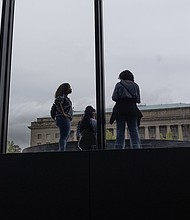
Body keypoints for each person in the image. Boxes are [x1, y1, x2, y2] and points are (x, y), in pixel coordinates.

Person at [110, 70, 143, 149]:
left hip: (120, 109)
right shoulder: (135, 86)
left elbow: (114, 97)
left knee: (120, 131)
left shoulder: (119, 85)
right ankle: (136, 149)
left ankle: (119, 150)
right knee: (134, 131)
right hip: (132, 109)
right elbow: (138, 100)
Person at [54, 83, 73, 151]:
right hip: (63, 118)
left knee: (65, 136)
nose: (71, 89)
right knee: (64, 136)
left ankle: (62, 150)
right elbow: (58, 103)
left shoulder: (64, 97)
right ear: (65, 89)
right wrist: (63, 114)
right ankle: (62, 151)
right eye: (69, 87)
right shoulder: (62, 96)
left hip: (63, 118)